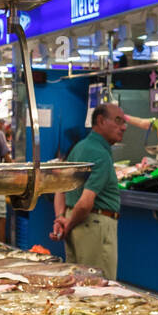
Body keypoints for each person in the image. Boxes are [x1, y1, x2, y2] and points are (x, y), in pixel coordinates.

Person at [53, 102, 125, 279]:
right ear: (100, 121)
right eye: (117, 121)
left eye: (124, 122)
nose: (123, 127)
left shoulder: (79, 147)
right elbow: (85, 203)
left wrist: (60, 218)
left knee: (76, 287)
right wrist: (68, 224)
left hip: (75, 223)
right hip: (93, 226)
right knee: (98, 291)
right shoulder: (99, 154)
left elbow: (60, 188)